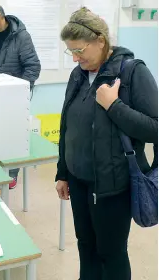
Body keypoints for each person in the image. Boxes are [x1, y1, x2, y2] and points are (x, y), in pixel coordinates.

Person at [56, 7, 157, 280]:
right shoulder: (78, 74)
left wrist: (114, 106)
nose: (76, 58)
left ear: (101, 41)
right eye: (71, 52)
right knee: (85, 247)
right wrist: (62, 173)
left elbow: (155, 129)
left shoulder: (133, 72)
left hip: (113, 187)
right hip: (78, 182)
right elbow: (67, 126)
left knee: (111, 253)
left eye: (79, 50)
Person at [0, 2, 41, 189]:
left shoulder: (21, 36)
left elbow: (33, 67)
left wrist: (19, 90)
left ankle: (11, 175)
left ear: (0, 17)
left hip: (15, 99)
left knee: (12, 137)